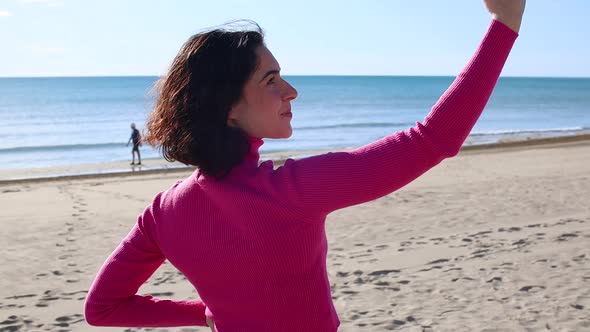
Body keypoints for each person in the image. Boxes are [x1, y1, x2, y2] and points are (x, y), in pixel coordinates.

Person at [85, 1, 526, 331]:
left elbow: (101, 308)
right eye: (270, 80)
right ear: (228, 106)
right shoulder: (290, 190)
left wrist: (206, 314)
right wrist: (504, 24)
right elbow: (432, 139)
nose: (291, 91)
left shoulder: (163, 212)